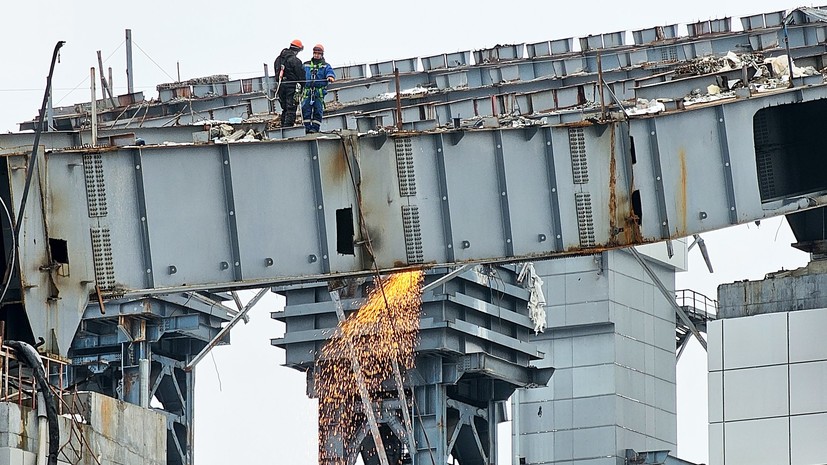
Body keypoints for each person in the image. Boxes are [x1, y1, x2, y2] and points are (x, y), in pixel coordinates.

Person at [301, 44, 336, 134]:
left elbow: (330, 72)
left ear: (322, 54)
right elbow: (300, 73)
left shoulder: (325, 66)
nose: (316, 55)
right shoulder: (306, 64)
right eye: (315, 53)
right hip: (307, 91)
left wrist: (330, 77)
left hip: (318, 92)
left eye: (318, 53)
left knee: (318, 110)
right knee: (305, 109)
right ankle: (307, 127)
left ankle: (315, 128)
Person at [273, 39, 305, 128]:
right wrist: (303, 86)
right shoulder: (295, 60)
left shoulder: (278, 60)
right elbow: (301, 76)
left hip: (281, 86)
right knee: (291, 108)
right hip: (292, 87)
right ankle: (288, 128)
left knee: (285, 108)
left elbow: (276, 75)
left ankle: (283, 127)